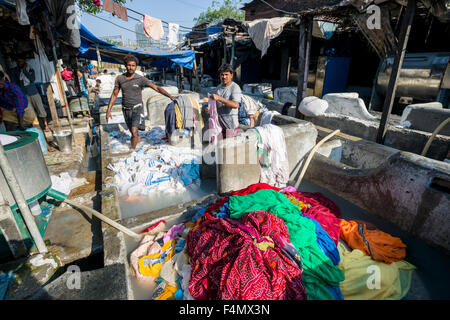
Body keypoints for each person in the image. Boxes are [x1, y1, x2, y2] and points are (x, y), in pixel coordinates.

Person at [106, 54, 176, 149]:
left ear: (136, 66)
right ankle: (138, 141)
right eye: (129, 65)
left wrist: (170, 96)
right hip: (126, 109)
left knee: (134, 132)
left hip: (137, 108)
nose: (131, 68)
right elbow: (114, 94)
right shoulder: (119, 78)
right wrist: (108, 110)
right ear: (125, 65)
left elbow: (156, 88)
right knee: (133, 132)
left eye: (133, 65)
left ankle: (132, 152)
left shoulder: (140, 79)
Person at [0, 71, 55, 151]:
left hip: (24, 107)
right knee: (9, 128)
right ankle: (15, 150)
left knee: (36, 126)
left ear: (3, 79)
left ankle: (46, 146)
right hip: (8, 109)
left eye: (0, 80)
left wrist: (21, 123)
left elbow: (20, 107)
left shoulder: (13, 88)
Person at [10, 57, 50, 131]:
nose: (19, 63)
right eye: (18, 61)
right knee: (30, 111)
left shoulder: (30, 69)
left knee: (41, 109)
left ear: (24, 61)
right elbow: (14, 82)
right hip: (24, 94)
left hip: (33, 92)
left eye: (21, 61)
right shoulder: (15, 71)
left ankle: (45, 125)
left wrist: (24, 70)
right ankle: (37, 127)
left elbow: (32, 79)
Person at [205, 63, 242, 138]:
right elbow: (215, 103)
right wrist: (209, 109)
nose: (224, 77)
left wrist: (219, 98)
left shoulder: (235, 87)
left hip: (231, 126)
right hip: (220, 126)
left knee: (229, 148)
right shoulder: (218, 88)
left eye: (226, 74)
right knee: (220, 148)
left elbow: (236, 105)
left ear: (231, 75)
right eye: (222, 75)